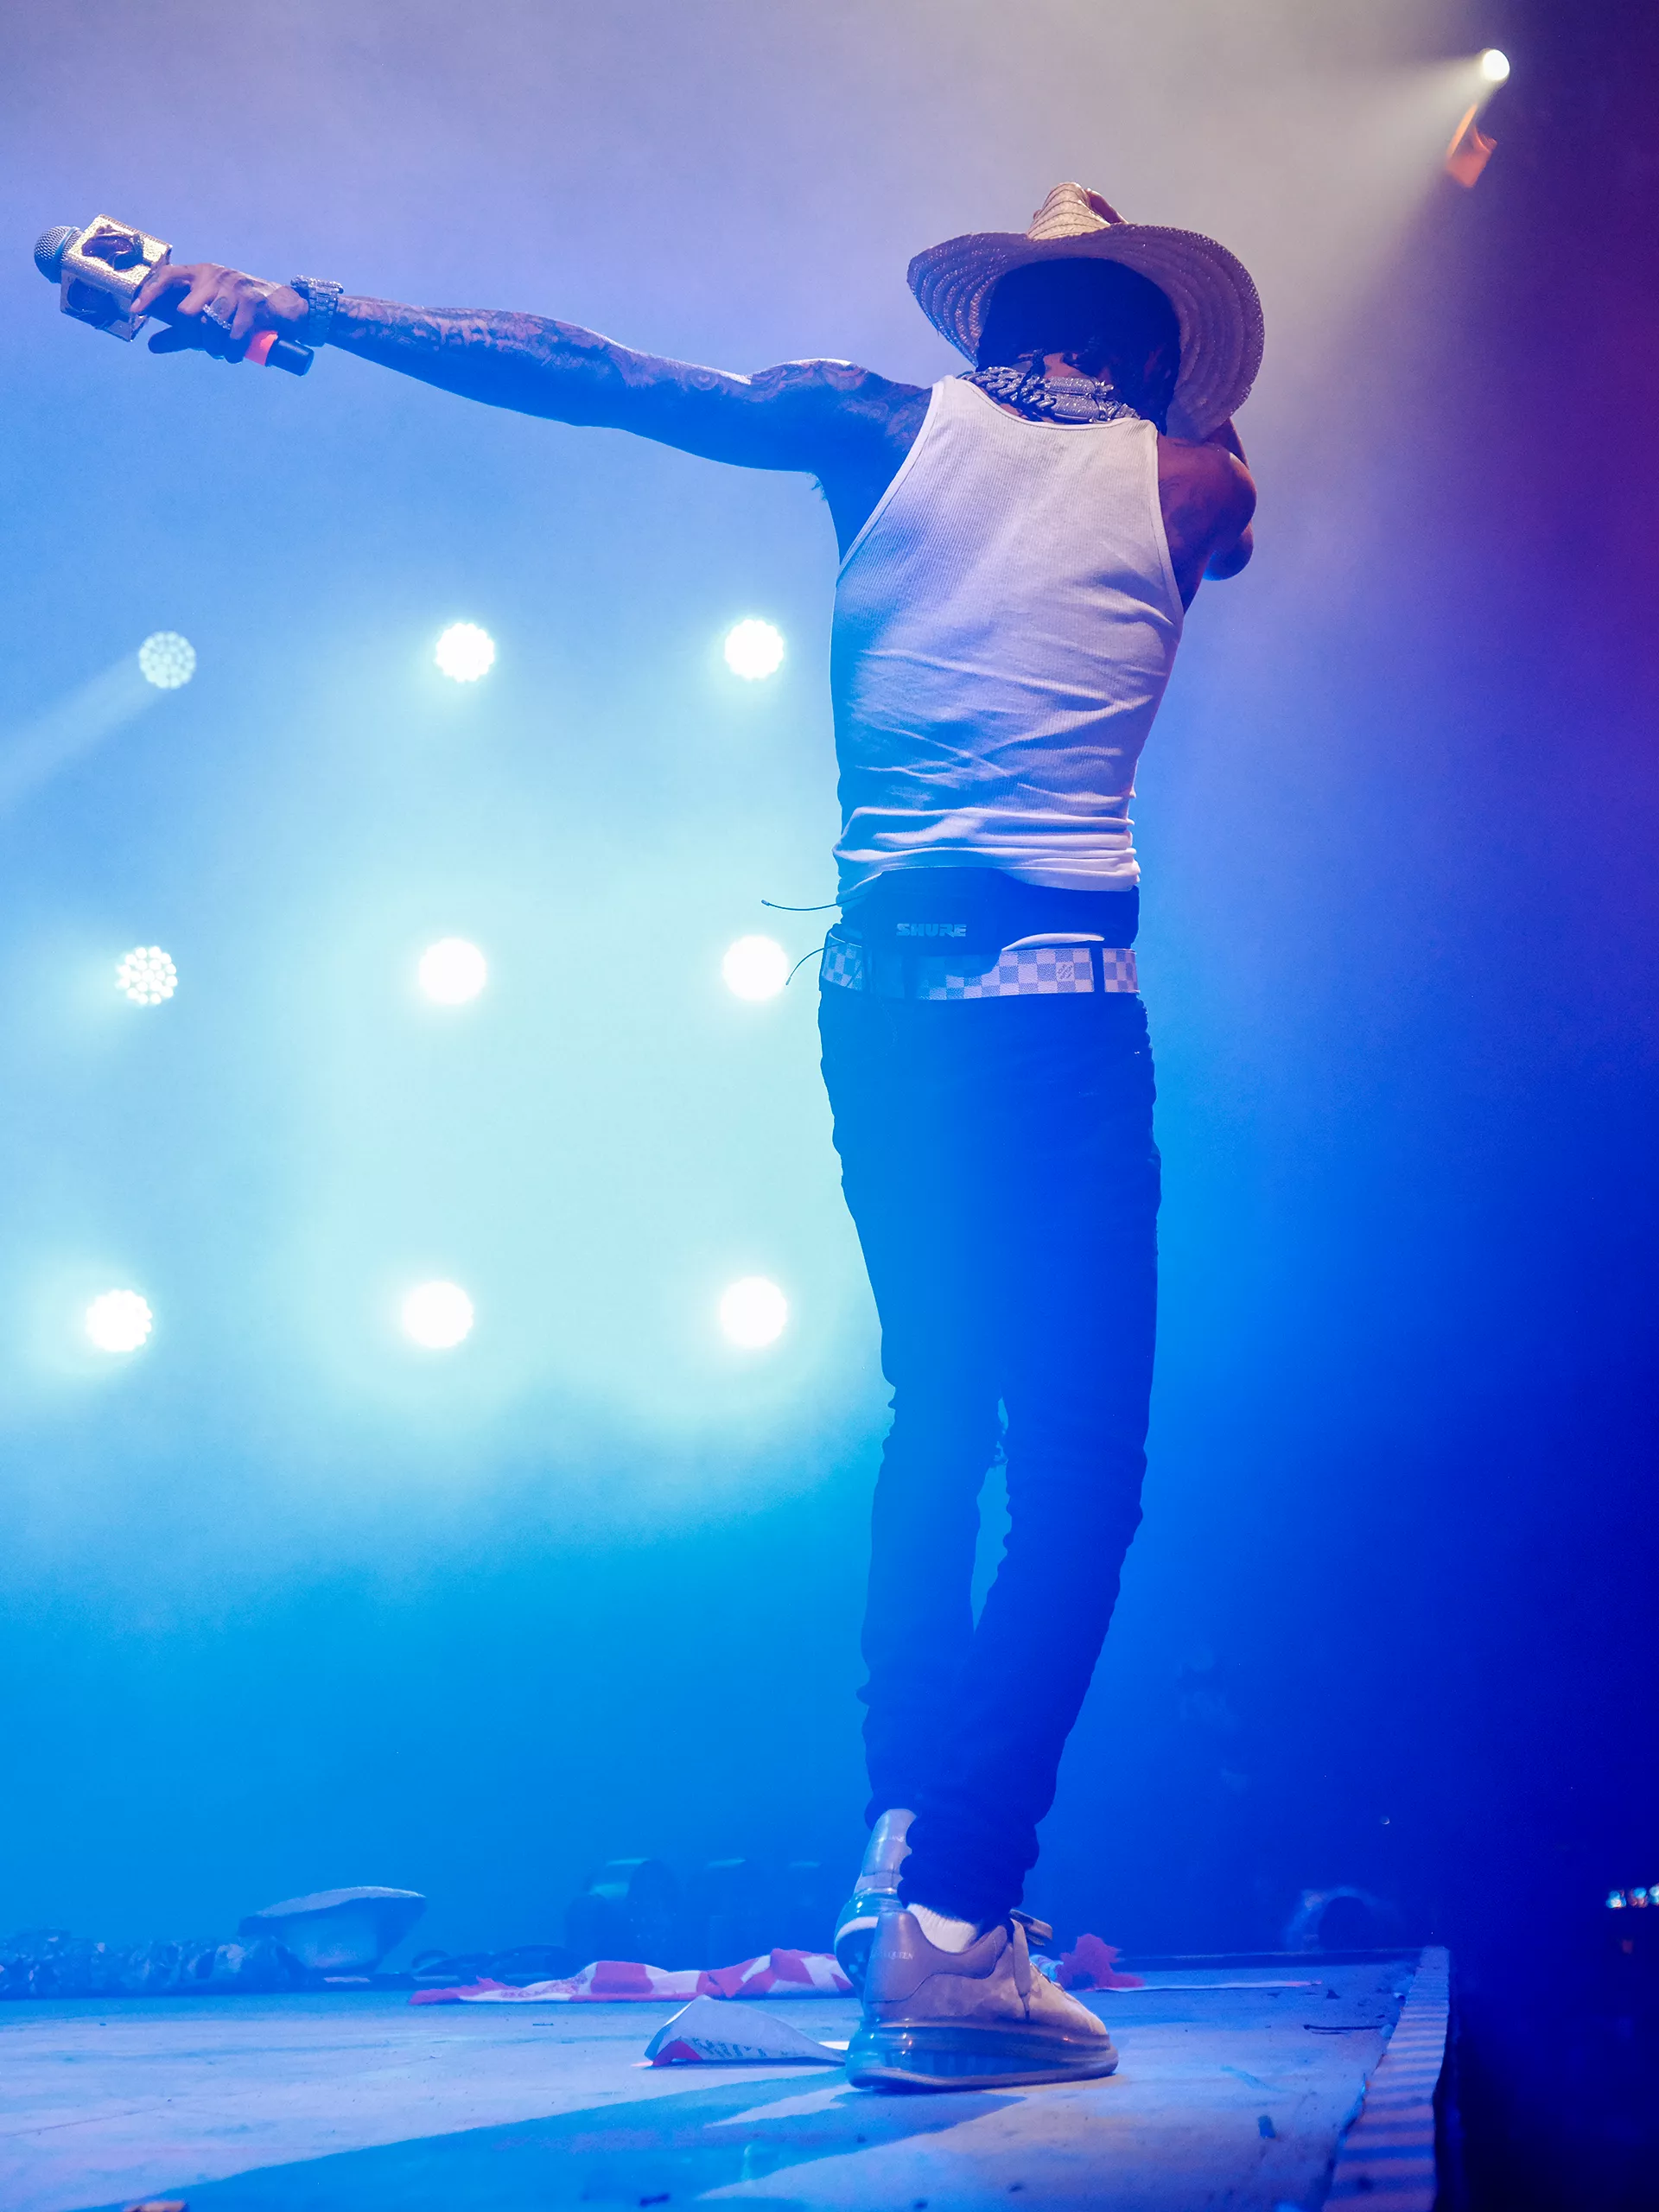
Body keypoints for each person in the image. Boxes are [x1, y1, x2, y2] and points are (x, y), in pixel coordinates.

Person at [133, 181, 1261, 2091]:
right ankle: (959, 1922)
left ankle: (903, 1866)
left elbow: (587, 373)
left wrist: (300, 301)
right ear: (1158, 352)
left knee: (941, 1419)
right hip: (1059, 1018)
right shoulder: (1196, 480)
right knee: (1078, 1474)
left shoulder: (871, 424)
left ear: (997, 325)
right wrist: (1169, 404)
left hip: (879, 1010)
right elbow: (1218, 518)